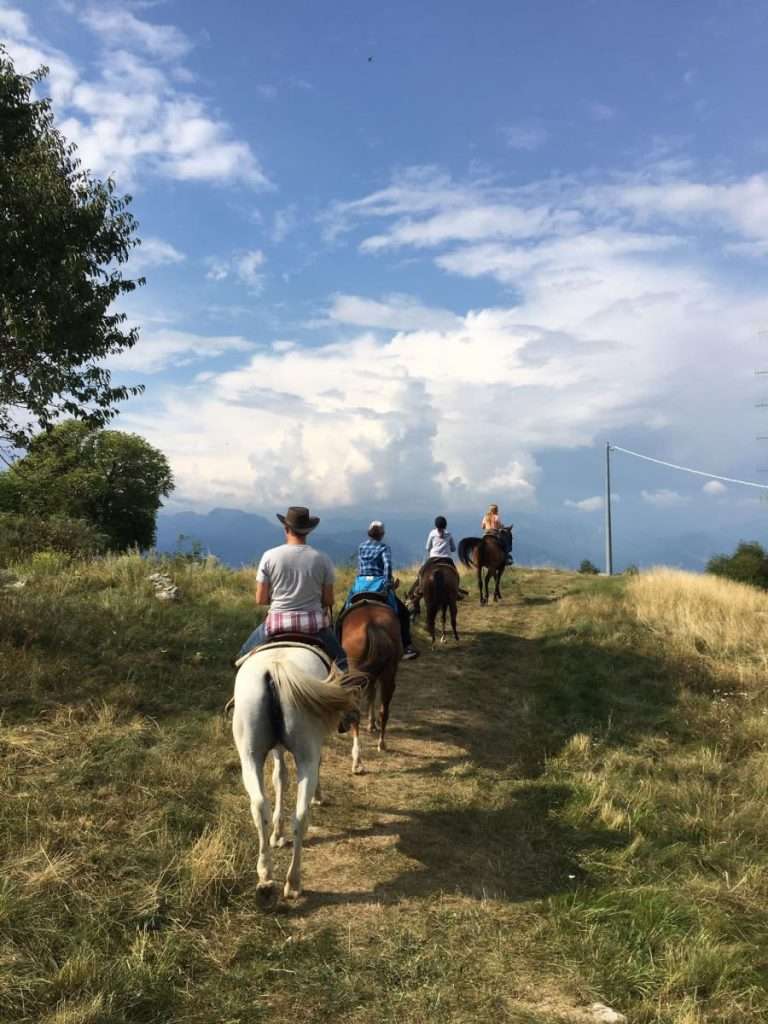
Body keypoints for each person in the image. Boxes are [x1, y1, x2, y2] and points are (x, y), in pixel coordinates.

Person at [237, 505, 348, 668]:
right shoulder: (323, 559)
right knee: (344, 664)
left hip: (276, 624)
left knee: (241, 658)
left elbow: (260, 599)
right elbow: (328, 599)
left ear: (286, 528)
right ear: (308, 531)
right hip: (314, 626)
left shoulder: (269, 556)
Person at [347, 521, 419, 660]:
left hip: (361, 585)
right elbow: (387, 567)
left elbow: (360, 568)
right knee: (403, 613)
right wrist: (388, 584)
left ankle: (340, 647)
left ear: (369, 533)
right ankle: (406, 647)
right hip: (378, 585)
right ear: (382, 534)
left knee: (345, 612)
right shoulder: (384, 548)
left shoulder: (361, 547)